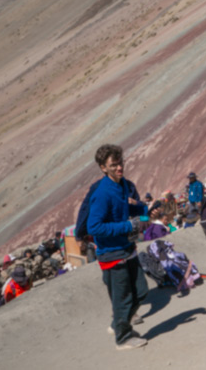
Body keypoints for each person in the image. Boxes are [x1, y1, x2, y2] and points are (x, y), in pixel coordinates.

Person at [87, 144, 149, 350]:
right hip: (112, 254)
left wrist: (142, 210)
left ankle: (118, 324)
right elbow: (94, 226)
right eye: (114, 165)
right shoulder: (102, 193)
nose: (119, 168)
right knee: (123, 299)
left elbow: (123, 209)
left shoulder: (122, 185)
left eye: (120, 163)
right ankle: (122, 338)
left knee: (140, 291)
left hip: (127, 248)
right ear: (103, 167)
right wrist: (127, 225)